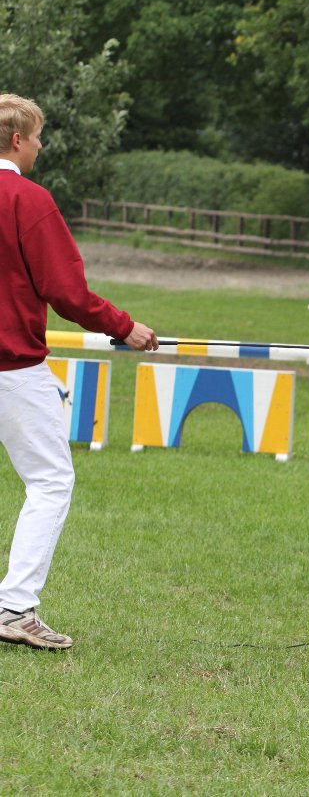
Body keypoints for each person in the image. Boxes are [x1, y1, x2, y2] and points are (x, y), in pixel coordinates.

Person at [0, 93, 159, 650]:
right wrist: (124, 326)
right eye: (38, 136)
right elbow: (66, 293)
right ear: (17, 140)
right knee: (50, 481)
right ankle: (14, 608)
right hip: (12, 368)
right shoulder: (28, 198)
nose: (42, 145)